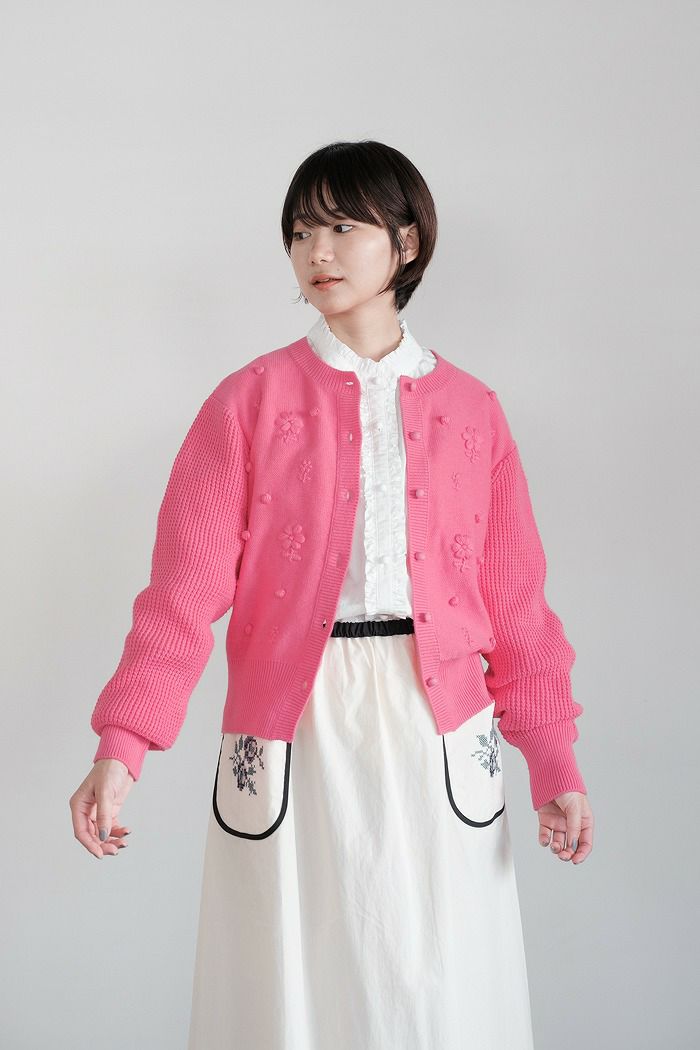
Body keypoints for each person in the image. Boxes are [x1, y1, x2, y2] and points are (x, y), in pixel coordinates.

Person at [69, 139, 594, 1049]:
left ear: (407, 243)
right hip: (296, 724)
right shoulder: (247, 401)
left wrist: (554, 760)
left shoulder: (474, 411)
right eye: (301, 231)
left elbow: (518, 606)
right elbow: (180, 595)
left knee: (437, 982)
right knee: (294, 983)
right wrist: (123, 746)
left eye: (344, 227)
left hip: (437, 722)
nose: (317, 251)